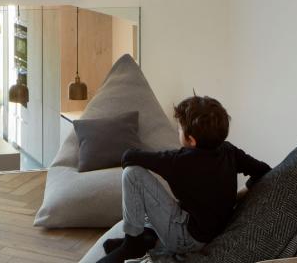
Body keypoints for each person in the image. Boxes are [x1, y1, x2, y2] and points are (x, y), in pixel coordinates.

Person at [99, 95, 272, 263]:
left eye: (180, 129)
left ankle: (132, 244)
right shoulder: (229, 151)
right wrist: (239, 195)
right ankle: (147, 237)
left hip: (187, 240)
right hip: (212, 229)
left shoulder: (179, 161)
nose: (178, 131)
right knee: (156, 201)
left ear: (191, 140)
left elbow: (128, 157)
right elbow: (263, 170)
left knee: (132, 174)